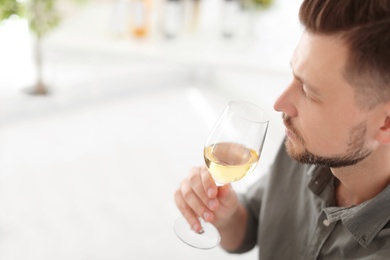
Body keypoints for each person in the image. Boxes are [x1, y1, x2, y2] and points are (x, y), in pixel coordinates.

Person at [174, 0, 390, 259]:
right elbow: (252, 224)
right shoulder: (309, 146)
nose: (280, 104)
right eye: (294, 76)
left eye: (309, 92)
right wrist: (227, 214)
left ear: (385, 123)